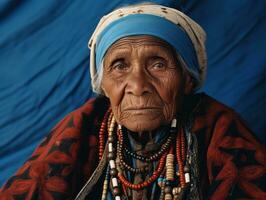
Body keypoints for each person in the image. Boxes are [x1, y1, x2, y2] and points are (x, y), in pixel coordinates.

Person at [0, 3, 265, 200]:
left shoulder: (219, 128)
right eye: (119, 66)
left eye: (159, 64)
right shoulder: (84, 127)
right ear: (103, 85)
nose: (138, 86)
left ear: (187, 80)